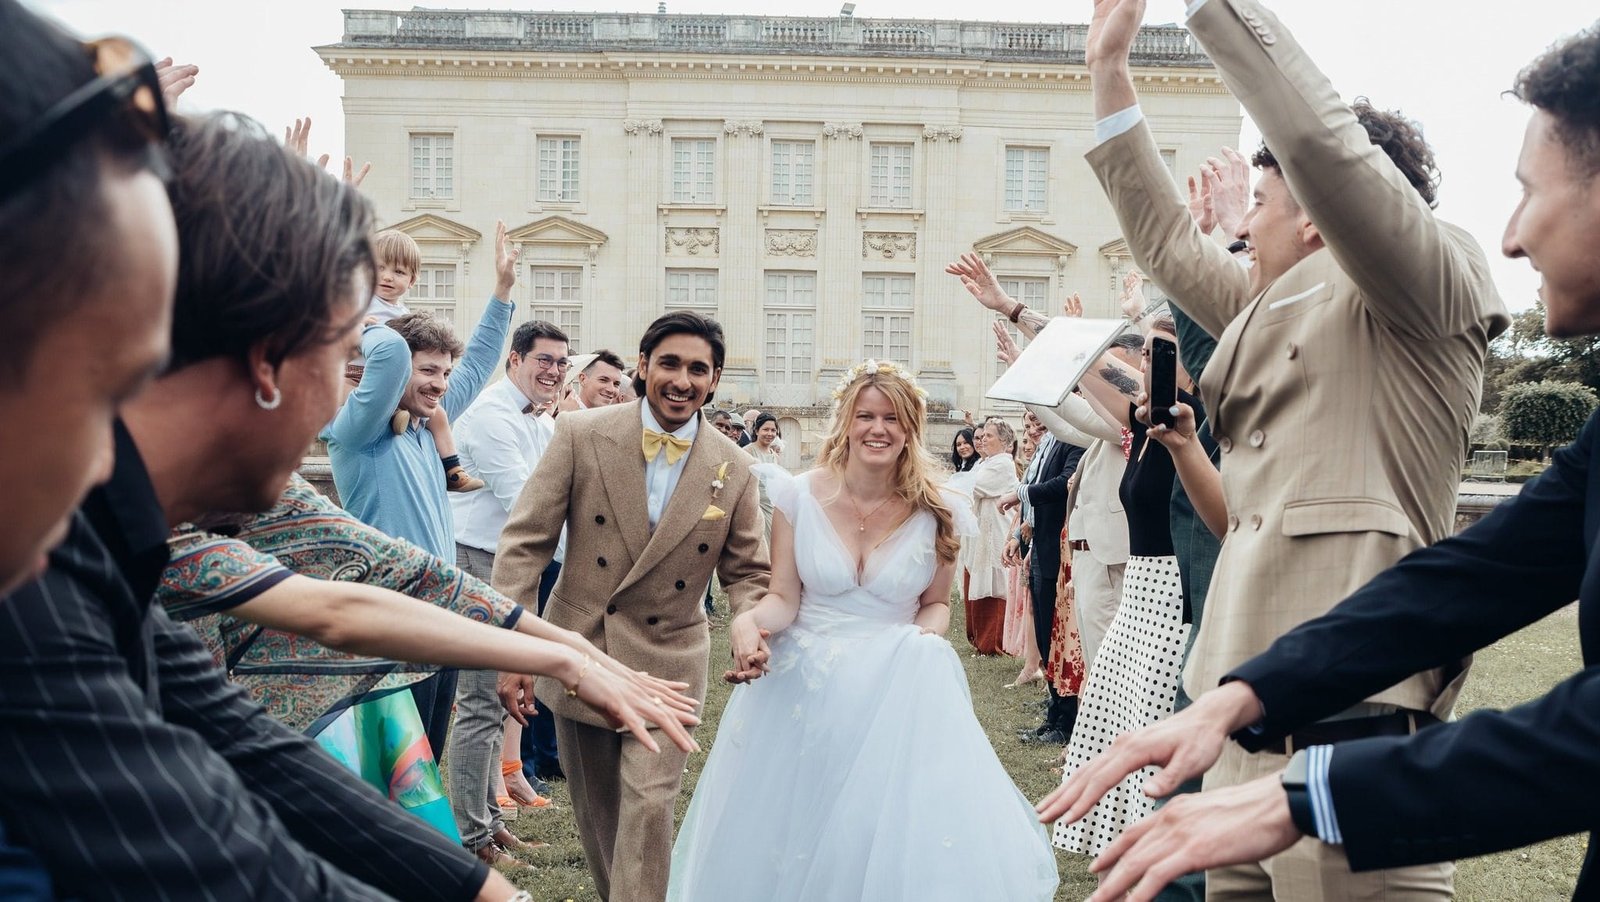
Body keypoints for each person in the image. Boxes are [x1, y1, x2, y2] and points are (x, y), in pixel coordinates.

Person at [1038, 19, 1600, 902]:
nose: (1241, 224)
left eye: (1261, 202)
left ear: (1317, 209)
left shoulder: (1427, 279)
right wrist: (1110, 69)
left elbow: (1322, 145)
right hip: (1249, 689)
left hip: (1355, 708)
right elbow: (1167, 245)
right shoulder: (1268, 308)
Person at [0, 105, 524, 900]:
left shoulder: (91, 545)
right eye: (344, 357)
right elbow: (220, 843)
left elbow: (245, 748)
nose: (341, 401)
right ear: (266, 360)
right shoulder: (49, 569)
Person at [667, 359, 1059, 901]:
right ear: (846, 423)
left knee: (877, 827)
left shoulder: (940, 509)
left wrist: (923, 644)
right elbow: (783, 598)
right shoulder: (797, 497)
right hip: (802, 685)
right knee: (794, 827)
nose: (879, 429)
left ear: (910, 428)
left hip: (892, 686)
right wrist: (749, 621)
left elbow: (935, 605)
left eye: (892, 418)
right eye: (866, 416)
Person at [491, 311, 771, 902]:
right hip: (582, 650)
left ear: (715, 379)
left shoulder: (736, 466)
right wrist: (517, 649)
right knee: (602, 820)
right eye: (669, 363)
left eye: (698, 369)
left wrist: (749, 622)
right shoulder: (580, 434)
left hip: (670, 661)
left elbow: (748, 572)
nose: (682, 381)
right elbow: (525, 544)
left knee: (649, 809)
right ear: (643, 366)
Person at [323, 222, 516, 756]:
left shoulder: (426, 426)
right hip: (391, 621)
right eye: (428, 370)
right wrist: (354, 325)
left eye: (444, 373)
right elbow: (388, 356)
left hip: (438, 615)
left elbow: (479, 364)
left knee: (426, 759)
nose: (441, 384)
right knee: (391, 770)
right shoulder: (358, 431)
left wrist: (502, 291)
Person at [446, 319, 570, 861]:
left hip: (513, 567)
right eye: (544, 359)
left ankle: (490, 823)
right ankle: (472, 838)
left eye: (562, 362)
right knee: (479, 701)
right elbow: (527, 503)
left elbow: (564, 492)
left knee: (501, 700)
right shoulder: (490, 416)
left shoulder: (540, 420)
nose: (555, 371)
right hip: (477, 561)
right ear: (514, 359)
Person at [357, 229, 486, 492]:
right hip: (359, 377)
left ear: (412, 280)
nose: (387, 277)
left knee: (439, 415)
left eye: (398, 272)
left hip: (397, 385)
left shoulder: (405, 315)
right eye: (379, 268)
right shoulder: (359, 303)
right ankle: (396, 414)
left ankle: (453, 469)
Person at [960, 417, 1016, 655]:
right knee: (977, 577)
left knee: (994, 582)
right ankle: (978, 637)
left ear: (1004, 441)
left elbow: (974, 486)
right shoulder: (985, 462)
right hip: (980, 531)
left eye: (989, 436)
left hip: (995, 531)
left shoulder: (1003, 463)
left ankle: (994, 641)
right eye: (982, 436)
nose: (982, 440)